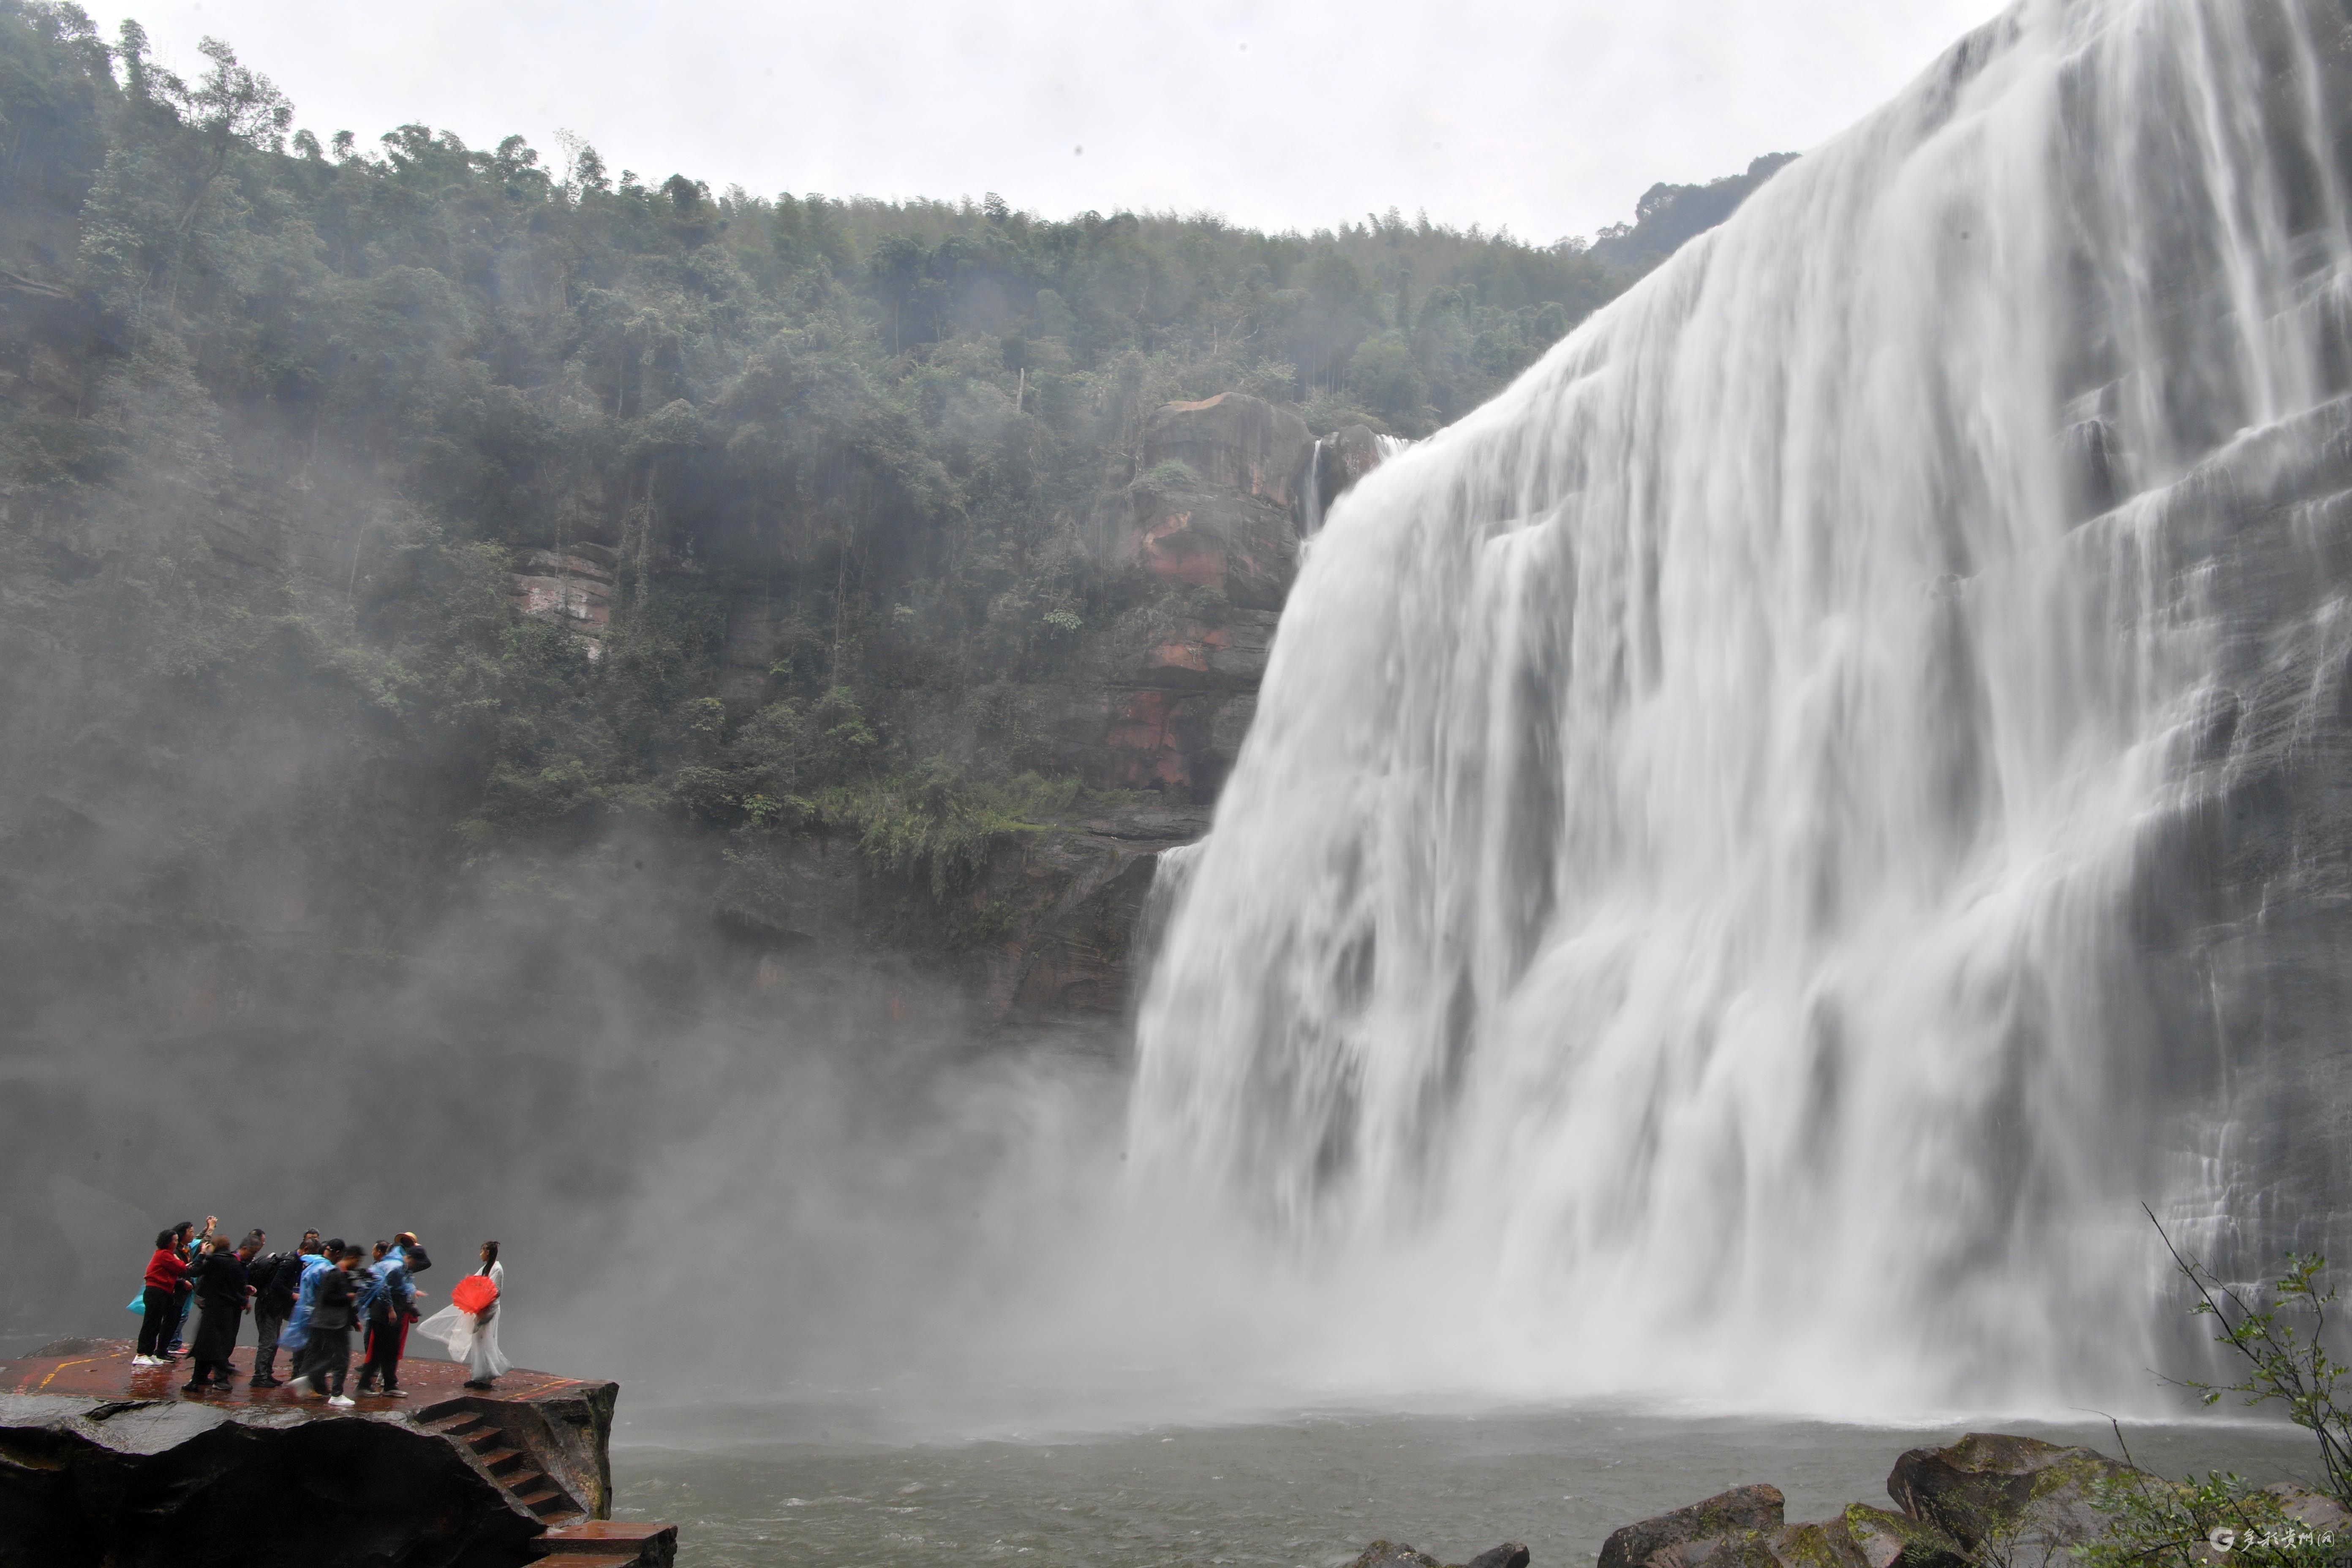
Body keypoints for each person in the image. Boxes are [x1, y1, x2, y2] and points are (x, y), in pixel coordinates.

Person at [417, 1241, 508, 1388]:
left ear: (488, 1253)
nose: (481, 1254)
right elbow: (476, 1281)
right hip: (480, 1309)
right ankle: (478, 1376)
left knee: (486, 1342)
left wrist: (482, 1297)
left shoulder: (497, 1269)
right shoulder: (485, 1268)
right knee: (478, 1343)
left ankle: (487, 1378)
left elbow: (496, 1291)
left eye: (482, 1251)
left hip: (489, 1310)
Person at [183, 1234, 255, 1393]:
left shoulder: (213, 1261)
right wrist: (244, 1301)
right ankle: (204, 1378)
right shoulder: (235, 1263)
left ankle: (207, 1379)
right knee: (219, 1343)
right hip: (228, 1311)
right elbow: (237, 1287)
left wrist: (202, 1254)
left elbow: (194, 1271)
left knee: (206, 1345)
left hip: (212, 1310)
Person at [299, 1246, 364, 1407]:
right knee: (342, 1358)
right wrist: (348, 1297)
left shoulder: (342, 1274)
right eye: (358, 1260)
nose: (358, 1264)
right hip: (332, 1323)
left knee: (336, 1358)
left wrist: (354, 1320)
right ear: (352, 1257)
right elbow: (328, 1298)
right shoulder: (335, 1274)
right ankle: (335, 1394)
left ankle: (309, 1379)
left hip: (334, 1322)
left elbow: (342, 1302)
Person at [356, 1240, 417, 1397]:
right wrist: (390, 1309)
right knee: (381, 1350)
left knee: (390, 1349)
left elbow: (400, 1290)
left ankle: (390, 1385)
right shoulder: (395, 1266)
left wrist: (409, 1307)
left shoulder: (395, 1266)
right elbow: (383, 1289)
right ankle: (365, 1385)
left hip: (392, 1313)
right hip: (384, 1314)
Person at [247, 1235, 307, 1388]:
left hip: (274, 1306)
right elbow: (277, 1285)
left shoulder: (293, 1260)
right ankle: (260, 1376)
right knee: (268, 1342)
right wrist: (292, 1295)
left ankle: (267, 1373)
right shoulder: (290, 1262)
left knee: (273, 1342)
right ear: (306, 1250)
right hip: (268, 1306)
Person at [278, 1236, 342, 1378]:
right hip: (316, 1313)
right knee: (313, 1349)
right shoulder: (326, 1270)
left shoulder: (310, 1265)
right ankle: (304, 1379)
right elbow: (326, 1295)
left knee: (303, 1346)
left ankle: (298, 1374)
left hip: (304, 1310)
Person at [133, 1229, 188, 1366]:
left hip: (162, 1292)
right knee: (150, 1323)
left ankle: (149, 1353)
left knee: (156, 1323)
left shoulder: (166, 1255)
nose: (176, 1243)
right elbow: (181, 1267)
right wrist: (177, 1259)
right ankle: (141, 1354)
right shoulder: (165, 1255)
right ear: (168, 1242)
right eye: (174, 1240)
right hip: (156, 1291)